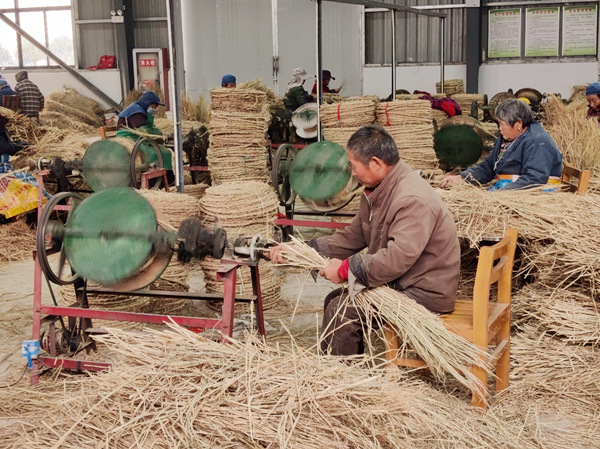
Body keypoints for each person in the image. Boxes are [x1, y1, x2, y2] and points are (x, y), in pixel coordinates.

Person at [270, 125, 461, 356]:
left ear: (376, 163)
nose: (351, 173)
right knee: (335, 299)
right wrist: (302, 250)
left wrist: (344, 269)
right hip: (405, 281)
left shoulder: (411, 198)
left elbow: (396, 259)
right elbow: (352, 237)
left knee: (342, 311)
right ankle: (345, 364)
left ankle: (345, 377)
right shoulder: (379, 189)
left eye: (354, 166)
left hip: (424, 290)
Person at [440, 98, 563, 191]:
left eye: (502, 124)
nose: (499, 128)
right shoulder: (507, 138)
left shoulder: (537, 142)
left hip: (533, 194)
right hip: (508, 188)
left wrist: (501, 194)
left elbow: (534, 180)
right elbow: (488, 166)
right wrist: (462, 178)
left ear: (518, 124)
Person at [117, 91, 174, 183]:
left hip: (138, 137)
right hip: (128, 138)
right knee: (152, 154)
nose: (154, 109)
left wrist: (157, 132)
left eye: (155, 107)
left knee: (164, 152)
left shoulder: (142, 110)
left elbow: (148, 128)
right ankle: (154, 181)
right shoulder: (137, 112)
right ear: (146, 103)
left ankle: (168, 179)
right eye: (153, 106)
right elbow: (144, 131)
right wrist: (159, 134)